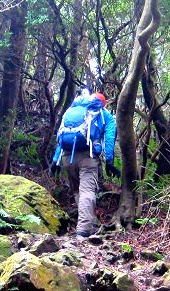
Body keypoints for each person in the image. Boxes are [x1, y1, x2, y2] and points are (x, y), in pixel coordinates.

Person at [50, 89, 119, 239]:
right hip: (88, 157)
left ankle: (89, 223)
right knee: (87, 191)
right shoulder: (104, 114)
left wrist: (55, 161)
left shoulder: (72, 110)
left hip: (67, 157)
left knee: (77, 191)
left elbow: (61, 136)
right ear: (103, 104)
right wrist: (109, 162)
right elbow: (109, 138)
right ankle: (83, 230)